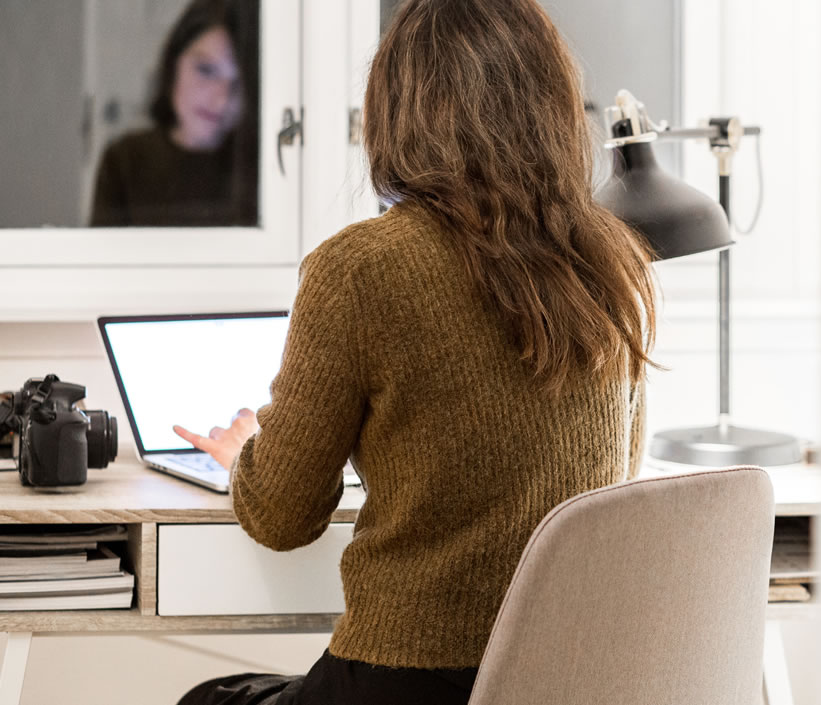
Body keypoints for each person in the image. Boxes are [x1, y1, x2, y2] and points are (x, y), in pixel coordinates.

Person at [170, 0, 656, 702]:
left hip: (405, 684)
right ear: (551, 105)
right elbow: (613, 478)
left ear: (397, 111)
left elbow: (281, 515)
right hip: (567, 679)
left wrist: (249, 450)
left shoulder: (361, 269)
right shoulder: (616, 262)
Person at [89, 0, 258, 227]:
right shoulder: (124, 161)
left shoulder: (261, 169)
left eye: (237, 84)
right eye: (206, 70)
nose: (221, 100)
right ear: (173, 64)